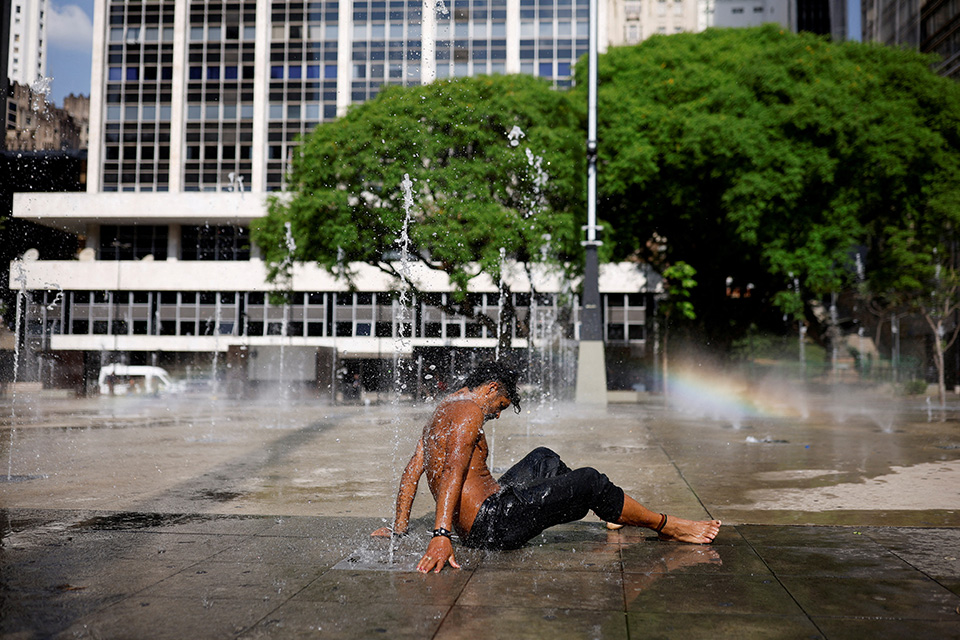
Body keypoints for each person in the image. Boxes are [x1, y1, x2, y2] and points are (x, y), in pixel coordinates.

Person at [371, 362, 721, 573]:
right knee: (589, 479)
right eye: (500, 405)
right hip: (492, 525)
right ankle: (667, 525)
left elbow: (412, 471)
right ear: (491, 389)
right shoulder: (470, 412)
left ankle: (612, 510)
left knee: (543, 458)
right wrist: (440, 536)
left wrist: (399, 529)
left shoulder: (444, 408)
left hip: (488, 513)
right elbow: (452, 473)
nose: (497, 414)